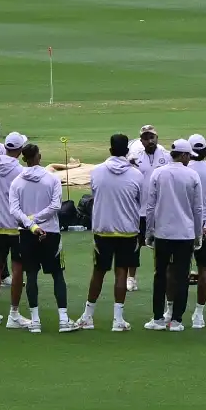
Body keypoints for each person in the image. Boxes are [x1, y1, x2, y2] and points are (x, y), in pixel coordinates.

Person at [10, 142, 80, 333]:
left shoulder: (17, 181)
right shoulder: (51, 179)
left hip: (26, 233)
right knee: (57, 274)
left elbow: (14, 210)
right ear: (39, 157)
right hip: (50, 233)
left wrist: (30, 223)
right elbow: (56, 206)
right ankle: (64, 319)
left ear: (24, 159)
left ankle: (35, 321)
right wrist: (37, 220)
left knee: (31, 274)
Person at [77, 134, 142, 332]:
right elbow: (140, 202)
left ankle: (88, 316)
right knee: (121, 272)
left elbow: (96, 195)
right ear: (126, 152)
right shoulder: (137, 174)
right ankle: (118, 320)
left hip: (103, 229)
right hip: (127, 231)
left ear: (110, 150)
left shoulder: (97, 172)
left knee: (98, 272)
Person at [143, 139, 203, 332]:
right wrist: (198, 234)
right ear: (184, 155)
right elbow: (198, 208)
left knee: (160, 275)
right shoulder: (192, 175)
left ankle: (158, 318)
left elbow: (150, 206)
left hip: (163, 232)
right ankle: (176, 320)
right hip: (184, 234)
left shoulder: (158, 173)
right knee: (182, 276)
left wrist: (149, 231)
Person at [0, 132, 32, 328]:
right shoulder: (21, 171)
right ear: (20, 150)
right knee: (17, 268)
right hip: (16, 225)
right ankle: (14, 314)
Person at [182, 134, 206, 328]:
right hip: (205, 227)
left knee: (177, 269)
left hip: (184, 227)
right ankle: (198, 314)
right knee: (204, 269)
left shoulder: (183, 171)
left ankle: (171, 311)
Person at [129, 125, 170, 292]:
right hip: (140, 210)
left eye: (152, 137)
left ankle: (159, 274)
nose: (150, 140)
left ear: (157, 137)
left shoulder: (166, 156)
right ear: (141, 140)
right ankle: (131, 278)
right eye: (146, 138)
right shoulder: (135, 157)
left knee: (160, 246)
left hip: (160, 210)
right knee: (135, 245)